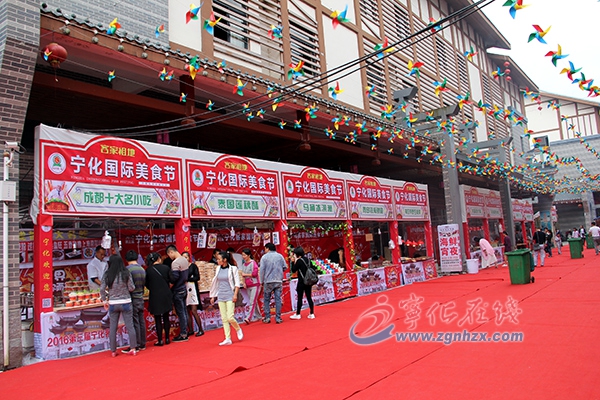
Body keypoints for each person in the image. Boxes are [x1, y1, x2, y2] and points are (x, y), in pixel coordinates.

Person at [100, 254, 137, 357]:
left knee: (113, 327)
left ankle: (113, 350)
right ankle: (133, 348)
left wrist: (104, 301)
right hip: (126, 302)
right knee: (130, 326)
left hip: (113, 303)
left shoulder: (107, 274)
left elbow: (102, 289)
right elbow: (131, 288)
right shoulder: (126, 273)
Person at [209, 251, 243, 346]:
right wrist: (213, 296)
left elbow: (237, 283)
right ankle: (227, 338)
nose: (217, 261)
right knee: (224, 318)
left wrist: (235, 295)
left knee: (230, 317)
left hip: (230, 294)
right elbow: (216, 283)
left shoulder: (233, 269)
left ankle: (238, 328)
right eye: (217, 259)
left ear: (225, 260)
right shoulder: (218, 268)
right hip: (221, 295)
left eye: (219, 259)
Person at [145, 252, 172, 346]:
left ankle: (160, 340)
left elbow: (147, 284)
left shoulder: (148, 270)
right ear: (159, 259)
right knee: (166, 317)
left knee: (157, 318)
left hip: (155, 295)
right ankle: (167, 338)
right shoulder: (166, 268)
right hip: (166, 294)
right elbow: (171, 279)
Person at [122, 250, 146, 353]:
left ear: (126, 259)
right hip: (140, 297)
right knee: (141, 321)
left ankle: (136, 344)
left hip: (132, 298)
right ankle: (142, 343)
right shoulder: (142, 269)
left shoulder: (127, 270)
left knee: (135, 321)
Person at [259, 243, 287, 324]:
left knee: (266, 299)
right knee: (278, 299)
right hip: (278, 280)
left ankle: (267, 317)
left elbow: (262, 270)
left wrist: (261, 281)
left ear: (268, 248)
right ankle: (278, 318)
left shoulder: (264, 257)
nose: (265, 250)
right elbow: (285, 267)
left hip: (268, 281)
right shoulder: (280, 256)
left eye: (265, 248)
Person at [167, 245, 189, 342]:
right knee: (184, 311)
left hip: (178, 289)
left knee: (181, 312)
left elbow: (174, 277)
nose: (169, 257)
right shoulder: (184, 260)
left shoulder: (175, 263)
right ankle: (186, 331)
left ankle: (183, 333)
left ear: (171, 252)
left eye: (169, 254)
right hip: (184, 288)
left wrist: (169, 286)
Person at [290, 247, 315, 320]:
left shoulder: (299, 261)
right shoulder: (308, 260)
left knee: (300, 298)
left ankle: (298, 314)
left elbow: (293, 270)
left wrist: (292, 262)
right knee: (309, 297)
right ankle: (312, 313)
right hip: (308, 281)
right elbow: (313, 268)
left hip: (301, 281)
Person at [182, 251, 204, 337]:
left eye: (186, 257)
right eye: (183, 257)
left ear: (189, 258)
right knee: (187, 311)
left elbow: (197, 277)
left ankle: (200, 329)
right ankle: (190, 330)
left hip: (192, 289)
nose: (185, 259)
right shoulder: (181, 267)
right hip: (184, 289)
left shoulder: (193, 266)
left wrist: (189, 279)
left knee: (194, 310)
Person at [240, 248, 261, 324]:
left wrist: (246, 275)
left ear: (249, 255)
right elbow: (242, 275)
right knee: (253, 301)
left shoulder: (253, 263)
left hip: (255, 284)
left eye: (244, 255)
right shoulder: (243, 265)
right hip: (248, 285)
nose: (243, 257)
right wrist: (244, 282)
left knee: (252, 301)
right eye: (242, 255)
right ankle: (258, 316)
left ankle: (248, 317)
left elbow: (255, 274)